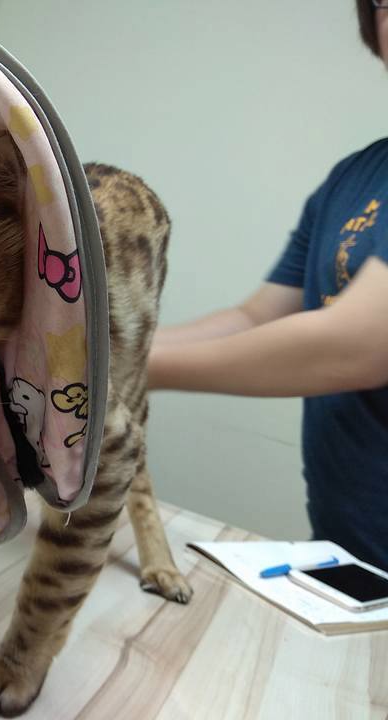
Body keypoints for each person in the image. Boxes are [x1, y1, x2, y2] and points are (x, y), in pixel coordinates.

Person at [148, 0, 388, 571]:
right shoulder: (353, 176)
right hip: (348, 553)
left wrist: (125, 370)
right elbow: (257, 316)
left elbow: (360, 344)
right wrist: (102, 348)